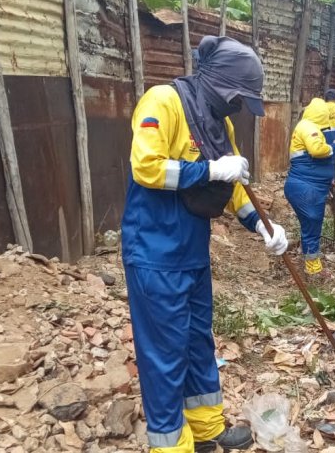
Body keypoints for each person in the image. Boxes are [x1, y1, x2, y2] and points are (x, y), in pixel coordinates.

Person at [121, 36, 289, 453]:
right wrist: (210, 168)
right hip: (155, 251)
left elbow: (231, 188)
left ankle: (206, 428)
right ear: (217, 84)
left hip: (192, 252)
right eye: (236, 99)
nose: (237, 109)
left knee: (198, 340)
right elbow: (146, 168)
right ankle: (171, 444)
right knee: (164, 352)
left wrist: (261, 227)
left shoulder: (221, 124)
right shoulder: (162, 102)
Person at [285, 98, 335, 276]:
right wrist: (334, 147)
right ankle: (313, 268)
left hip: (308, 186)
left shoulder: (306, 126)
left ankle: (308, 257)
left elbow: (313, 163)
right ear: (322, 115)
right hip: (306, 188)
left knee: (309, 226)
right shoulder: (309, 128)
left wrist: (329, 180)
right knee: (312, 226)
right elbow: (317, 151)